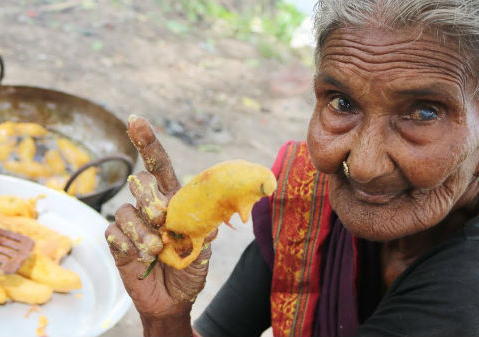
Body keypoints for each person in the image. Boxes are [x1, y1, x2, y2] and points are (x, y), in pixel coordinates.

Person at [105, 0, 479, 336]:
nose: (363, 166)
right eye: (342, 103)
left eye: (424, 113)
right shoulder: (309, 197)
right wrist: (166, 316)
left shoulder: (465, 291)